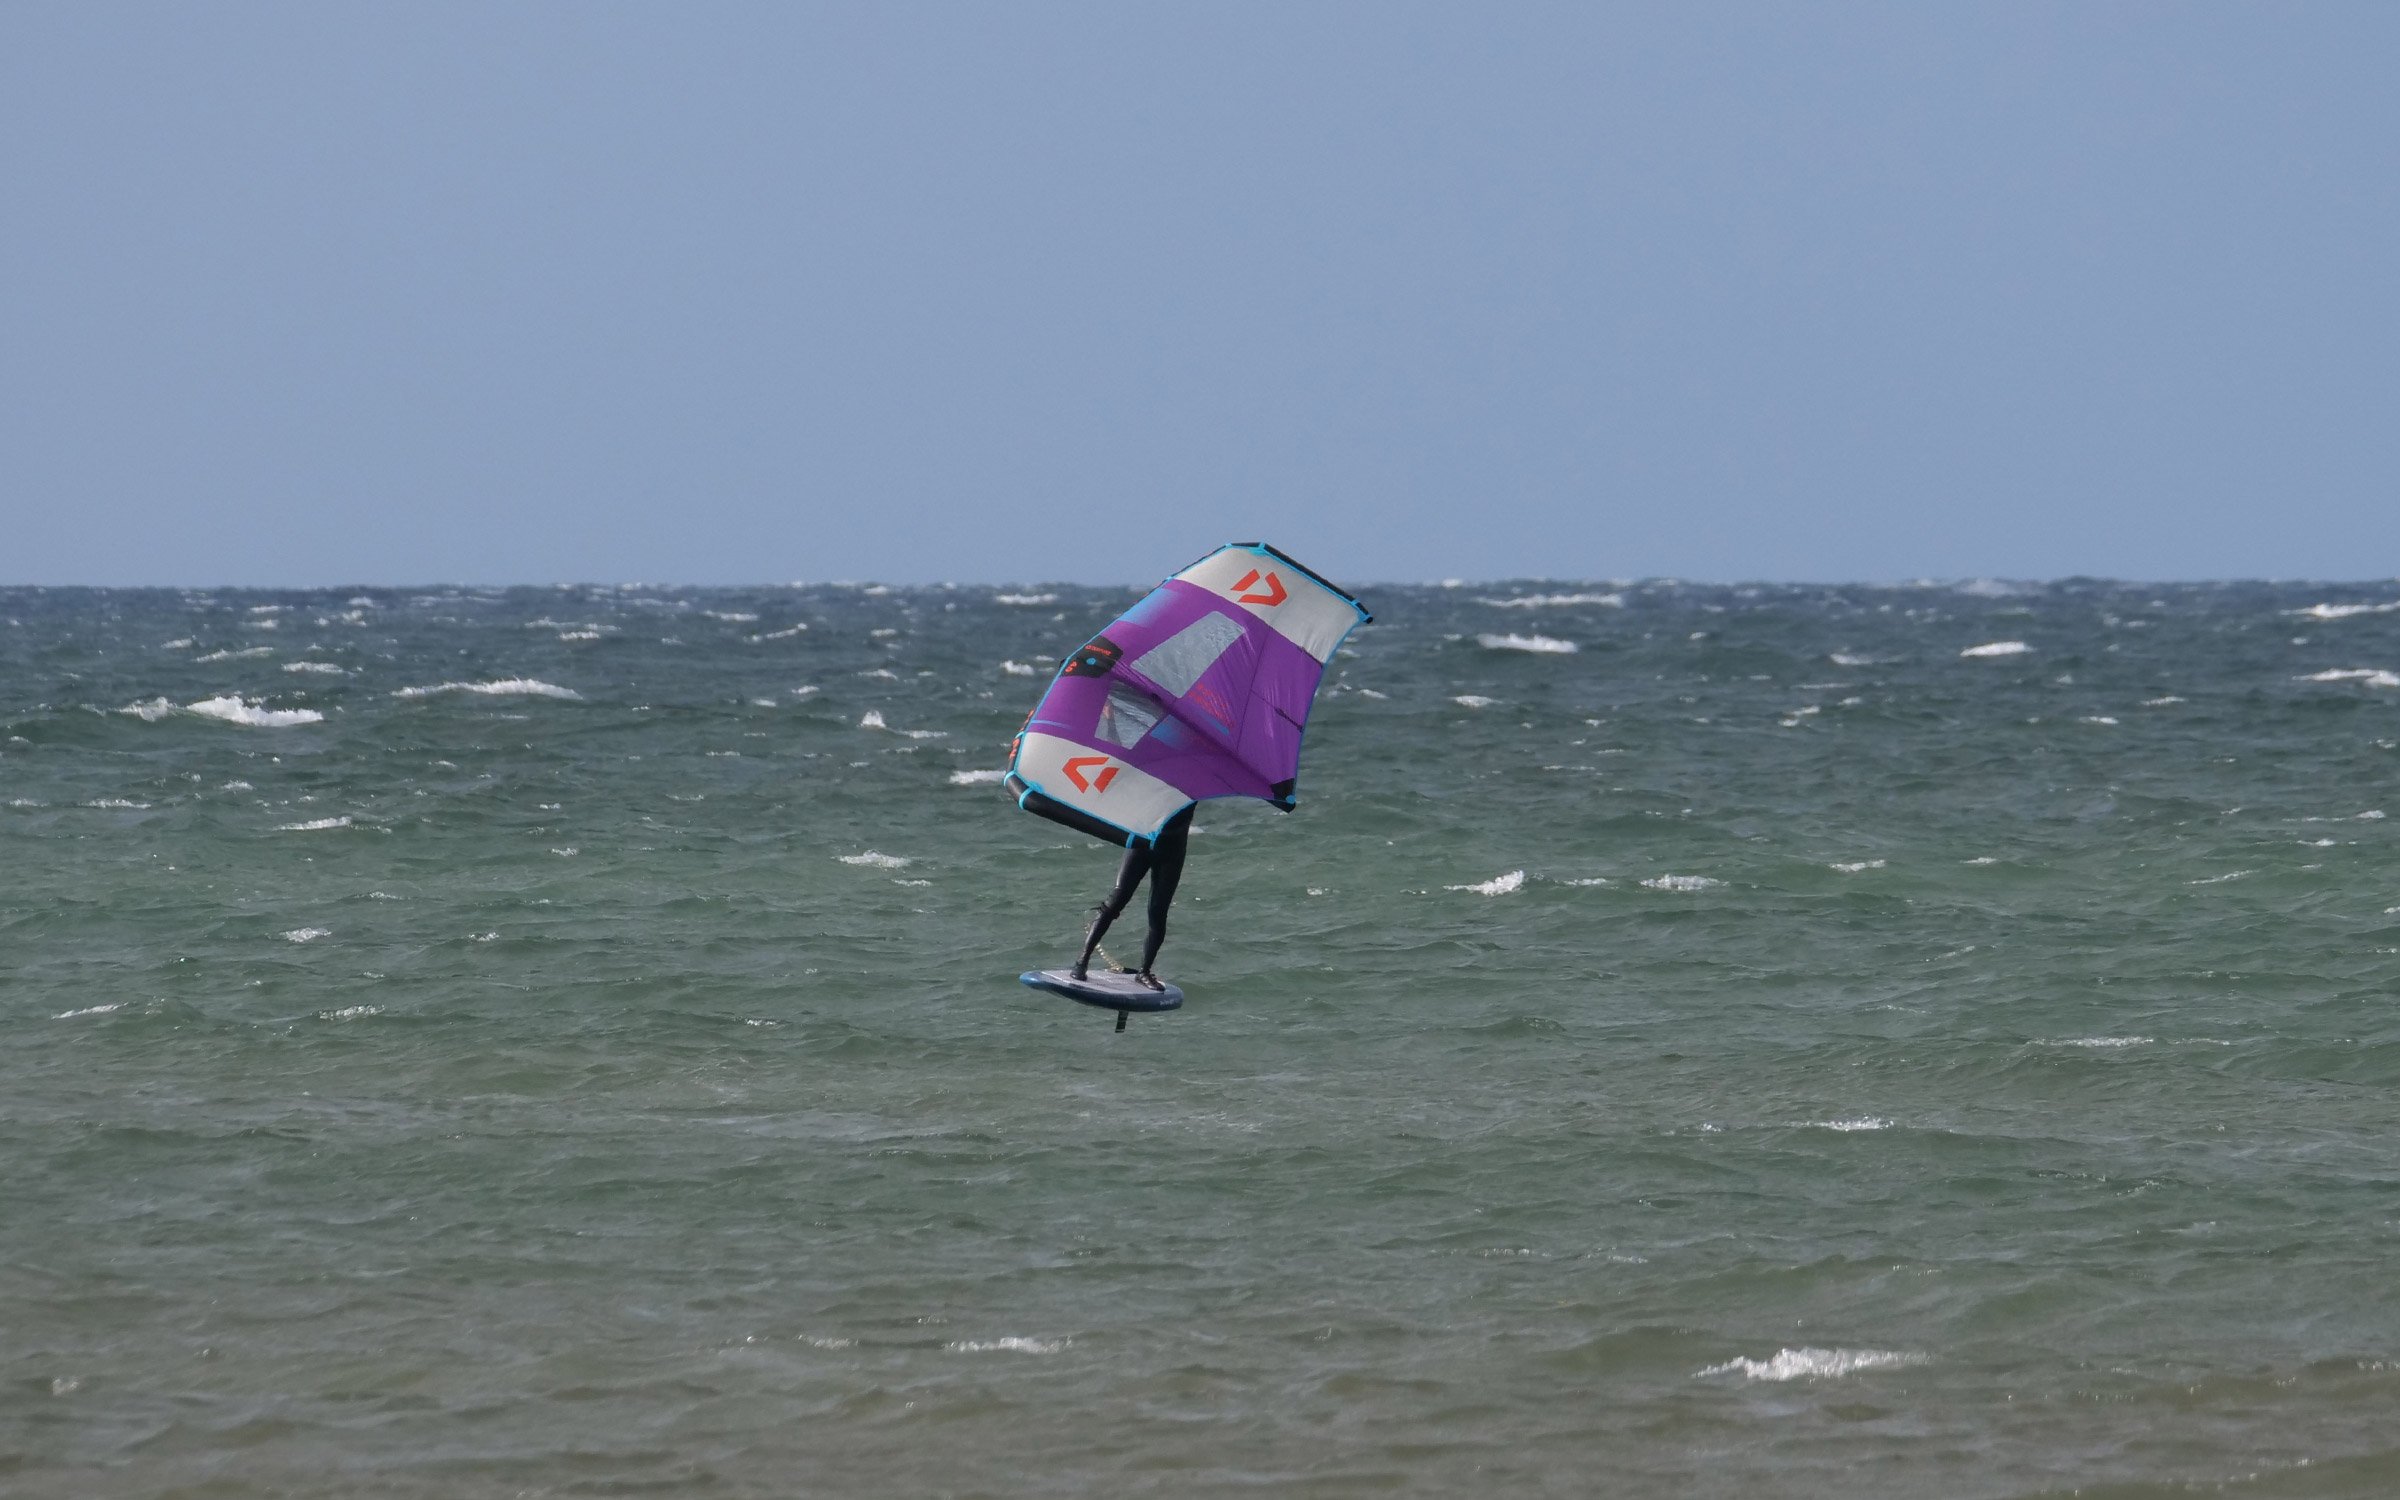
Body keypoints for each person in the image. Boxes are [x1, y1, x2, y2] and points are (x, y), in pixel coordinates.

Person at [1070, 803, 1195, 990]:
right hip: (1142, 842)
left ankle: (1144, 972)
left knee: (1158, 912)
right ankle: (1082, 960)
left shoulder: (1197, 782)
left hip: (1172, 849)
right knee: (1116, 901)